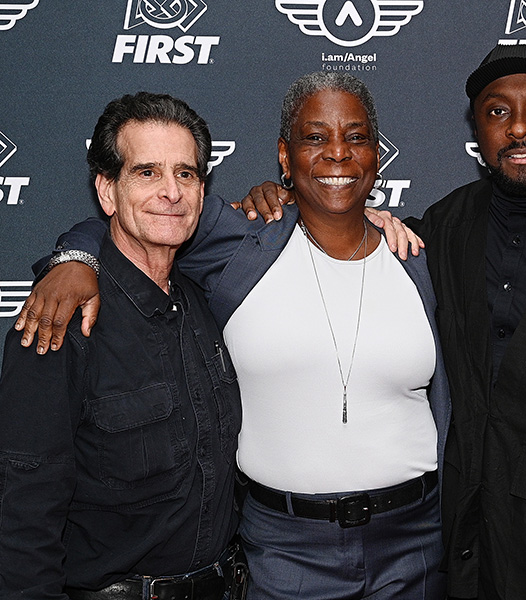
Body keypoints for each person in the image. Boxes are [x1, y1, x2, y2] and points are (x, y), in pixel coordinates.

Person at [241, 43, 526, 599]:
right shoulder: (442, 231)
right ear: (477, 129)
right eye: (496, 112)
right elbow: (342, 228)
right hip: (461, 568)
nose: (518, 129)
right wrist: (282, 198)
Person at [17, 73, 449, 600]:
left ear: (377, 156)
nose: (337, 153)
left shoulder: (418, 257)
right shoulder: (239, 246)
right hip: (284, 548)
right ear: (284, 159)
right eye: (314, 137)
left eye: (356, 137)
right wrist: (73, 257)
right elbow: (133, 227)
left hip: (415, 541)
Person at [0, 93, 245, 600]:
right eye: (147, 173)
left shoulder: (206, 300)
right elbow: (23, 506)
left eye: (186, 174)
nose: (171, 192)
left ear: (203, 191)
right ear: (107, 192)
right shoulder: (60, 320)